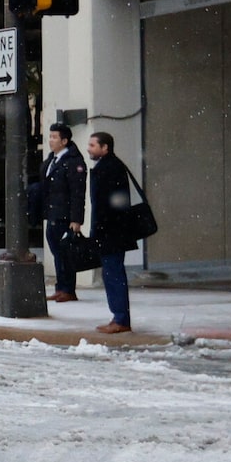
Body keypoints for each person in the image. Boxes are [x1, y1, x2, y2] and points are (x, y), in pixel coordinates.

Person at [80, 130, 143, 334]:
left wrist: (100, 229)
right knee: (111, 274)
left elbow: (108, 205)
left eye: (92, 145)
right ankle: (118, 316)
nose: (89, 149)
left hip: (111, 233)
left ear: (104, 147)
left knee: (113, 274)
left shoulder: (109, 168)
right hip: (111, 231)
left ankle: (121, 319)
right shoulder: (107, 167)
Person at [38, 122, 86, 303]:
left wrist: (76, 219)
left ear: (64, 140)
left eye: (54, 137)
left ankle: (68, 289)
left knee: (66, 252)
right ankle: (61, 286)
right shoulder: (53, 159)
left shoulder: (73, 162)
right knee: (57, 252)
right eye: (50, 136)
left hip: (64, 214)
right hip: (52, 212)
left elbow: (77, 192)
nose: (51, 140)